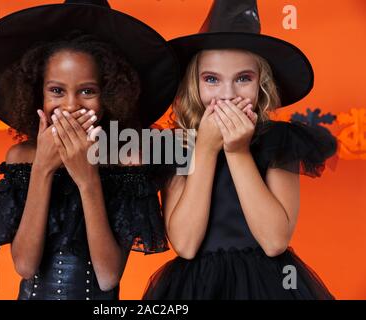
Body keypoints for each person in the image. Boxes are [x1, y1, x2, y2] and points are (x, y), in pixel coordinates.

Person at [0, 0, 179, 300]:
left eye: (87, 91)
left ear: (110, 96)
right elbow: (25, 266)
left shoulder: (127, 163)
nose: (70, 105)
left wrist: (87, 176)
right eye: (56, 90)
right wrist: (42, 168)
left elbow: (108, 277)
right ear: (36, 93)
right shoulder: (22, 158)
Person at [143, 0, 337, 300]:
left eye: (243, 79)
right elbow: (185, 243)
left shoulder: (279, 140)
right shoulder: (176, 147)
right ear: (194, 85)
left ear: (262, 83)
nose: (228, 94)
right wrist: (205, 150)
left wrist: (237, 152)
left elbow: (274, 241)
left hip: (267, 286)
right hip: (197, 287)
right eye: (211, 79)